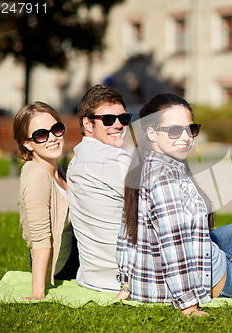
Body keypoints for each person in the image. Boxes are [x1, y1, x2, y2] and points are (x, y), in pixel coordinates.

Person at [115, 93, 232, 317]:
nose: (186, 138)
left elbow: (128, 234)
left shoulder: (143, 166)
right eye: (176, 131)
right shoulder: (166, 179)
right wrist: (188, 305)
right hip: (224, 283)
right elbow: (172, 244)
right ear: (151, 133)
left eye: (191, 129)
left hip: (156, 284)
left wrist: (126, 284)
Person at [67, 84, 132, 292]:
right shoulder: (114, 159)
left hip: (93, 277)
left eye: (123, 119)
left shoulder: (75, 162)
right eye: (108, 119)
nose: (119, 125)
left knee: (228, 232)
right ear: (88, 123)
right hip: (131, 278)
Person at [13, 102, 79, 299]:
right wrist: (38, 292)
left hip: (72, 255)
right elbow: (40, 237)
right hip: (60, 267)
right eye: (41, 134)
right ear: (27, 143)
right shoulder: (36, 174)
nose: (52, 138)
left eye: (56, 129)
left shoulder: (56, 169)